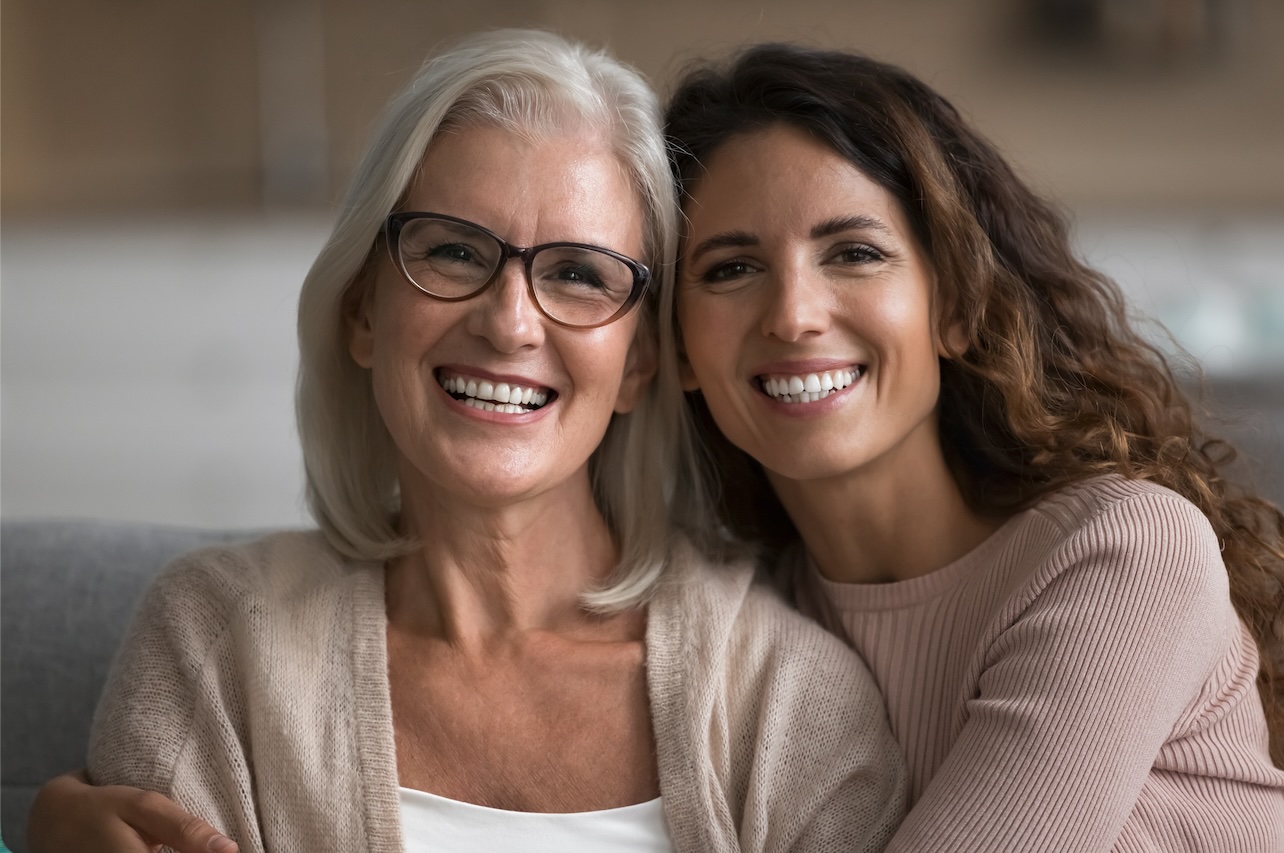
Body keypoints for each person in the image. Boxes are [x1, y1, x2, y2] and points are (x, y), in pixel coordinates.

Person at [26, 31, 907, 853]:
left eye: (576, 272)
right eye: (452, 252)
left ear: (639, 358)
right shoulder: (216, 642)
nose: (510, 321)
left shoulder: (792, 705)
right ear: (364, 310)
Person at [663, 43, 1284, 851]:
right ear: (674, 349)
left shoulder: (1122, 552)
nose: (794, 315)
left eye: (854, 253)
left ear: (955, 307)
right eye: (731, 267)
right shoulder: (727, 632)